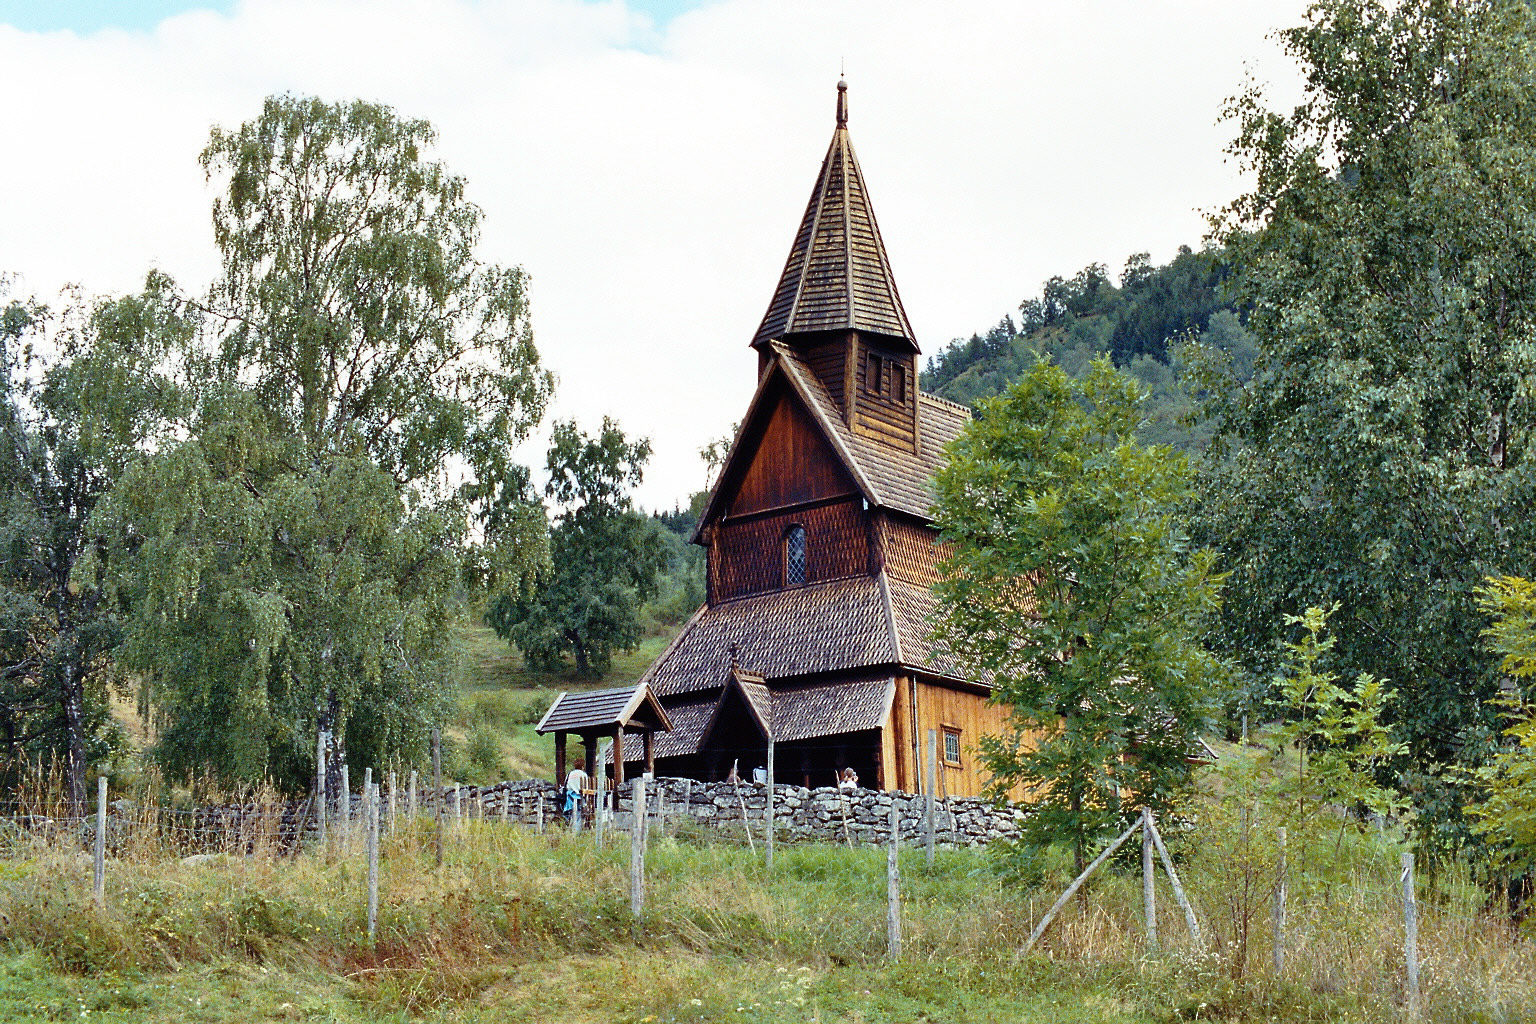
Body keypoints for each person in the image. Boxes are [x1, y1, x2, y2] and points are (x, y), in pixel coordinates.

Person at [564, 757, 589, 831]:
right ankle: (577, 831)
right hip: (580, 797)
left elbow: (566, 785)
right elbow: (586, 787)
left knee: (570, 816)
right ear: (582, 766)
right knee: (579, 815)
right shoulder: (583, 775)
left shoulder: (570, 774)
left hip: (570, 797)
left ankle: (569, 830)